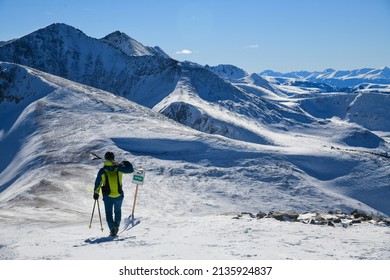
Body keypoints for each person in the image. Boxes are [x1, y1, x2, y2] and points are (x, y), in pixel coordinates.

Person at [93, 151, 134, 237]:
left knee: (109, 214)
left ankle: (112, 229)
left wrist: (96, 193)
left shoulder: (102, 171)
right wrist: (125, 163)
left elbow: (98, 183)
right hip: (119, 195)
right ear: (113, 158)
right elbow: (131, 170)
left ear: (105, 159)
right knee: (118, 211)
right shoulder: (119, 168)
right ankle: (116, 227)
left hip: (107, 196)